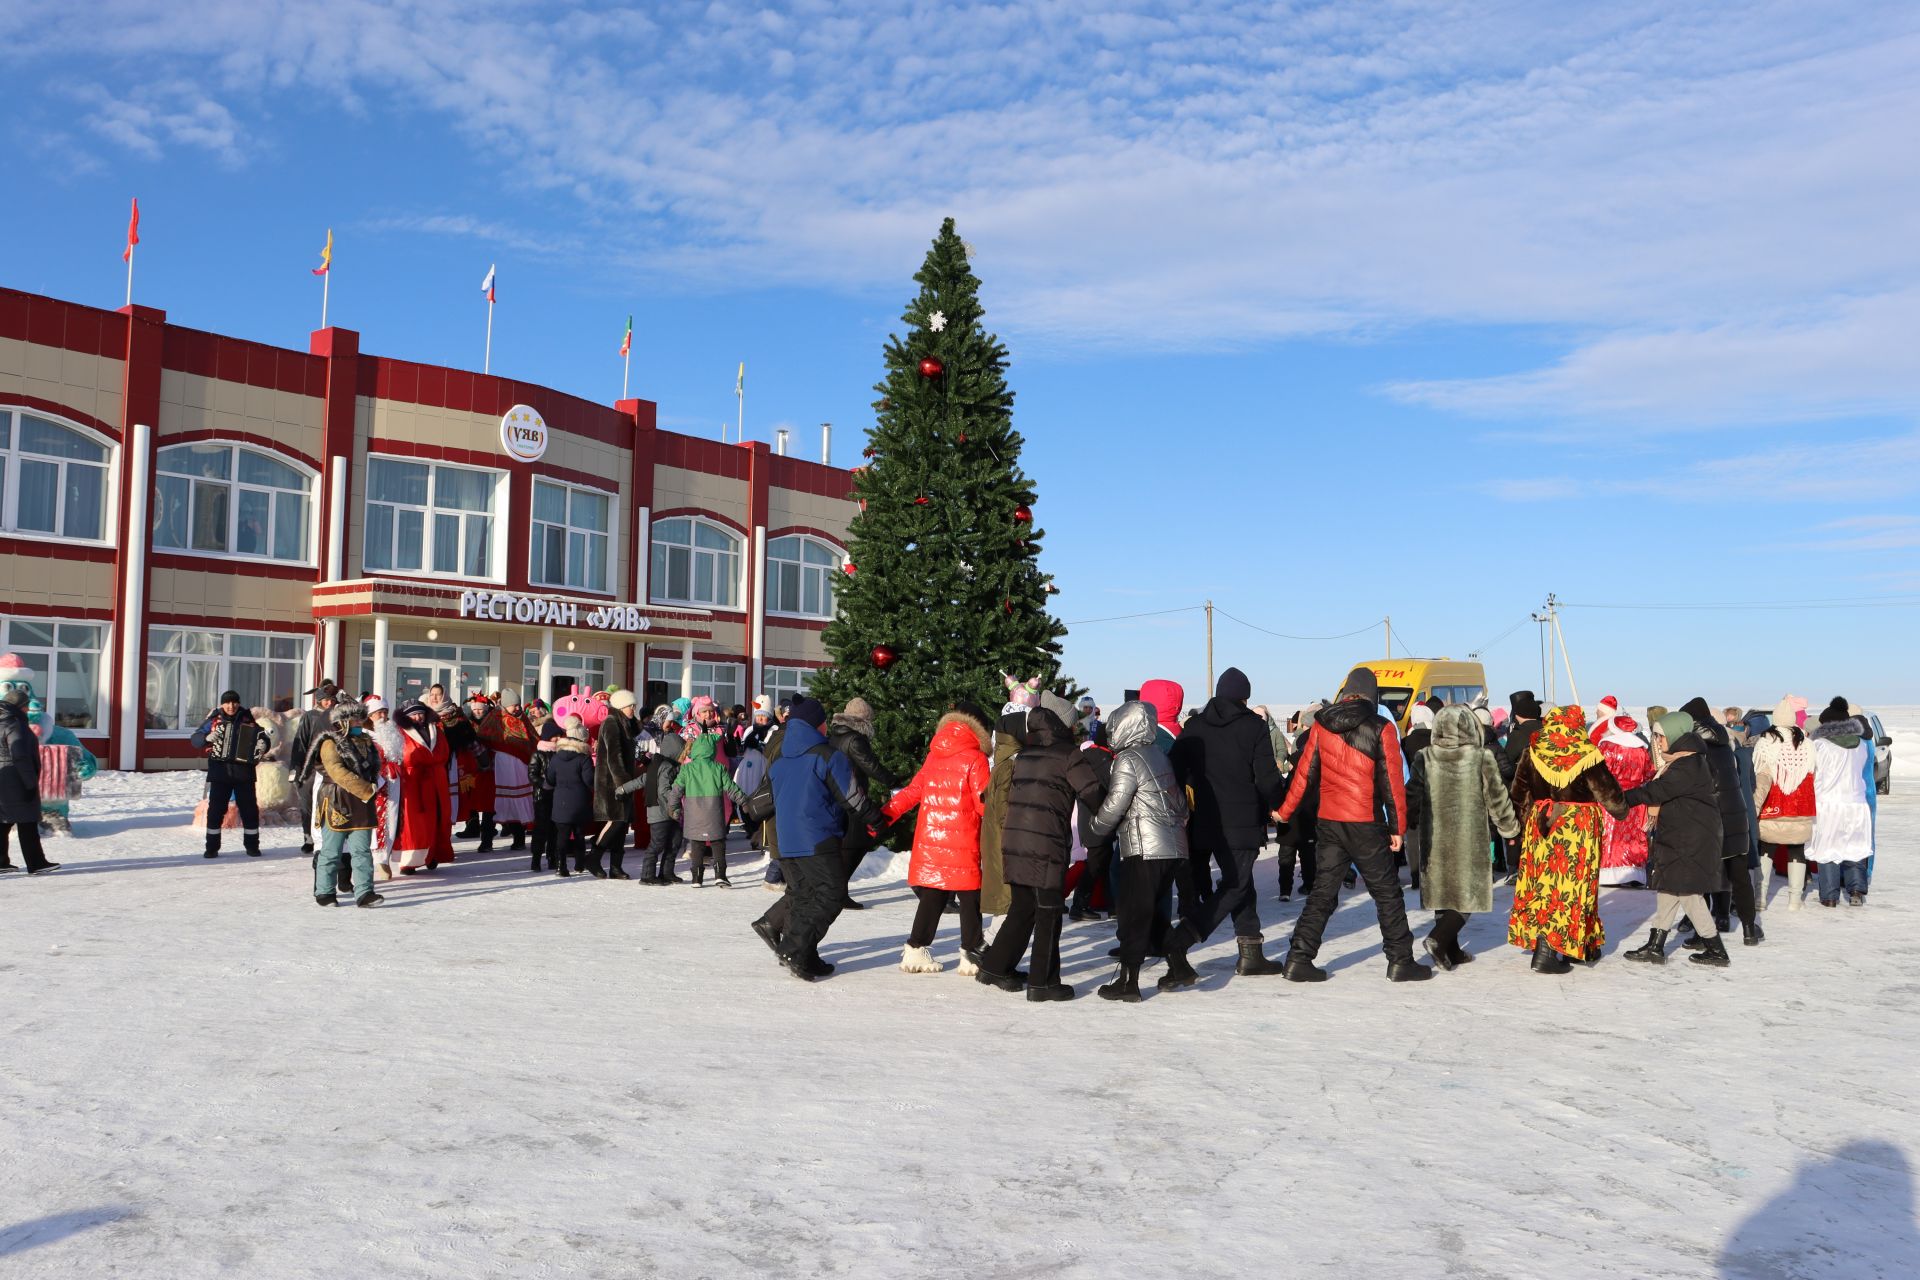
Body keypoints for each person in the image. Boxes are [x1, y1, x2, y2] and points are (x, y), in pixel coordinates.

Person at [1278, 668, 1427, 983]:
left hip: (1330, 822)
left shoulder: (1321, 725)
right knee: (1387, 893)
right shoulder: (1381, 727)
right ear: (1372, 695)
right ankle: (1401, 960)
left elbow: (1304, 774)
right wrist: (1397, 827)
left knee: (1322, 893)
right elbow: (1392, 782)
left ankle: (1298, 959)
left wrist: (1285, 810)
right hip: (1365, 822)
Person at [1162, 668, 1288, 985]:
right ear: (1245, 697)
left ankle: (1251, 953)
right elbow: (1267, 777)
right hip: (1242, 823)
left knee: (1241, 884)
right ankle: (1181, 940)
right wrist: (1281, 802)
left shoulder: (1194, 727)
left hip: (1205, 821)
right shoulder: (1254, 727)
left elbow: (1173, 771)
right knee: (1235, 885)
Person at [976, 705, 1104, 1001]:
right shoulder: (1069, 755)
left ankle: (995, 966)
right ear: (1062, 725)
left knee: (1023, 907)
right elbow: (1092, 793)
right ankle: (1043, 983)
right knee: (1048, 912)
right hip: (1044, 844)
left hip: (1016, 841)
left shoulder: (1026, 755)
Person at [760, 697, 878, 981]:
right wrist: (876, 818)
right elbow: (851, 796)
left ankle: (806, 955)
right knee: (831, 894)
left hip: (787, 840)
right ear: (817, 724)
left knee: (804, 896)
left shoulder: (781, 760)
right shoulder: (827, 756)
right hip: (816, 837)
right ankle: (793, 947)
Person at [1506, 705, 1627, 973]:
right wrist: (1622, 811)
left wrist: (1518, 827)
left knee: (1543, 887)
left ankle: (1576, 945)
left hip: (1542, 828)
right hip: (1578, 830)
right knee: (1572, 888)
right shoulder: (1586, 753)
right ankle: (1549, 951)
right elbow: (1611, 796)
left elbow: (1518, 794)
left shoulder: (1533, 751)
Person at [1083, 701, 1191, 1002]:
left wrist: (1094, 829)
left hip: (1144, 848)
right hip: (1172, 848)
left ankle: (1128, 982)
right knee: (1154, 914)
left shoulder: (1129, 759)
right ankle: (1179, 966)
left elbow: (1116, 803)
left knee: (1134, 913)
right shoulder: (1158, 755)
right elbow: (1181, 806)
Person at [1407, 705, 1521, 971]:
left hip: (1434, 835)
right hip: (1468, 837)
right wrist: (1510, 830)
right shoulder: (1480, 757)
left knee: (1443, 891)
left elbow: (1411, 794)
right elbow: (1497, 798)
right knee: (1468, 894)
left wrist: (1402, 821)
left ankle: (1452, 949)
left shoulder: (1426, 756)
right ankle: (1438, 939)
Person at [882, 707, 994, 974]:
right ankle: (970, 954)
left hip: (931, 842)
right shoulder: (975, 758)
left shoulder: (935, 756)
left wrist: (883, 816)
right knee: (970, 898)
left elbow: (912, 792)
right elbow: (983, 805)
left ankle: (915, 949)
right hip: (963, 841)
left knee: (933, 894)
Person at [1616, 712, 1731, 967]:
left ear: (1676, 736)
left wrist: (1621, 799)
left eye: (1661, 736)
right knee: (1668, 890)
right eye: (1655, 736)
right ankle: (1655, 946)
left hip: (1690, 838)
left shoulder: (1687, 765)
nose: (1657, 741)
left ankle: (1716, 949)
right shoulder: (1683, 760)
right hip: (1682, 835)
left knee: (1689, 894)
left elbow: (1657, 790)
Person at [1678, 696, 1760, 945]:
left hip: (1708, 818)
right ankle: (1749, 929)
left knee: (1701, 876)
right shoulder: (1726, 743)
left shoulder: (1693, 746)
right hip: (1735, 817)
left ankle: (1700, 933)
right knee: (1739, 876)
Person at [977, 673, 1044, 920]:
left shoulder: (1003, 761)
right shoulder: (1011, 765)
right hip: (1010, 849)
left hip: (1006, 848)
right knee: (1008, 910)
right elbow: (1006, 816)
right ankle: (990, 950)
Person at [827, 697, 900, 909]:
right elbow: (871, 766)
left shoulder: (836, 735)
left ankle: (838, 891)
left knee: (849, 844)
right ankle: (837, 893)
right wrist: (894, 781)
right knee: (856, 844)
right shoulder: (855, 739)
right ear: (864, 719)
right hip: (854, 796)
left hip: (837, 795)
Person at [310, 699, 384, 908]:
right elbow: (337, 771)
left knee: (361, 851)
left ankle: (365, 892)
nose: (359, 723)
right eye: (354, 719)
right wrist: (366, 789)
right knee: (332, 850)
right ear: (342, 721)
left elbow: (374, 768)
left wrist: (376, 783)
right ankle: (324, 891)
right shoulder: (329, 742)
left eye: (361, 718)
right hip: (337, 799)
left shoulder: (367, 741)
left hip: (362, 802)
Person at [660, 732, 751, 887]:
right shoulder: (719, 768)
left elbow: (675, 791)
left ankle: (697, 877)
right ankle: (720, 875)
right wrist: (744, 802)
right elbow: (731, 788)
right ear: (711, 750)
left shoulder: (687, 769)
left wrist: (673, 808)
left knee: (696, 845)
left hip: (694, 815)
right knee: (718, 844)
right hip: (714, 813)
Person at [1808, 698, 1875, 907]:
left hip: (1828, 804)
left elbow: (1812, 772)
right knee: (1854, 847)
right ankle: (1856, 889)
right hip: (1856, 803)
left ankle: (1829, 896)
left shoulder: (1819, 745)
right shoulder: (1860, 745)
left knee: (1828, 849)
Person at [192, 690, 270, 858]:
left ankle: (252, 846)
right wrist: (207, 737)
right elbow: (195, 739)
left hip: (244, 774)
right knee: (215, 812)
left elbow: (263, 737)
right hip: (220, 773)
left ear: (238, 703)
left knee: (249, 811)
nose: (231, 706)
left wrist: (264, 745)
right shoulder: (214, 719)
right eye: (227, 703)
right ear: (222, 704)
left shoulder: (247, 718)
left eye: (234, 702)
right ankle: (211, 848)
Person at [1591, 705, 1653, 887]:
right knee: (1633, 836)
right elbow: (1649, 774)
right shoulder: (1641, 749)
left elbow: (1598, 773)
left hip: (1611, 798)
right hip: (1636, 799)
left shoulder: (1607, 747)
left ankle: (1609, 872)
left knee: (1610, 836)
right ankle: (1634, 872)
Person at [389, 700, 454, 874]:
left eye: (421, 714)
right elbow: (399, 756)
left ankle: (433, 854)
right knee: (414, 820)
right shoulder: (399, 733)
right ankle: (409, 861)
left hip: (436, 779)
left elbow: (445, 751)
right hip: (413, 781)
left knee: (438, 817)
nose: (418, 717)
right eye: (414, 714)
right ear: (406, 716)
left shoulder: (436, 730)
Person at [584, 689, 641, 879]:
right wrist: (623, 784)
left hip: (622, 782)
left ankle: (616, 866)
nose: (634, 709)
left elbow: (635, 733)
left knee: (622, 824)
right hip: (612, 783)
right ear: (622, 707)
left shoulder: (623, 722)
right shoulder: (611, 723)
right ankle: (594, 857)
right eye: (631, 706)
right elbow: (613, 757)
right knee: (616, 821)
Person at [0, 686, 57, 874]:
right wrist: (30, 783)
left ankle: (1, 862)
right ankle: (36, 864)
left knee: (4, 820)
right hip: (15, 779)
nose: (27, 710)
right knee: (27, 821)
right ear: (20, 706)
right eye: (25, 706)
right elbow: (20, 756)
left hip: (3, 779)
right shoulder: (14, 723)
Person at [1276, 702, 1326, 901]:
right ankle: (1308, 885)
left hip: (1291, 815)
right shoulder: (1321, 765)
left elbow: (1287, 788)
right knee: (1308, 853)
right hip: (1309, 815)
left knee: (1287, 854)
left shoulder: (1295, 762)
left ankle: (1285, 890)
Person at [27, 694, 97, 836]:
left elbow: (87, 759)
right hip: (14, 804)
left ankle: (53, 814)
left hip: (54, 803)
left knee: (58, 829)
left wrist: (86, 768)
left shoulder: (62, 736)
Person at [287, 681, 339, 856]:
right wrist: (296, 769)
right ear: (319, 700)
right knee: (307, 803)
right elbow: (300, 742)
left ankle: (329, 837)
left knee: (329, 803)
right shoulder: (310, 716)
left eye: (332, 699)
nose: (329, 703)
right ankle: (308, 837)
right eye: (326, 700)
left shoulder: (339, 716)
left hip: (332, 768)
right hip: (310, 768)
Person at [481, 691, 537, 851]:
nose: (518, 708)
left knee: (517, 803)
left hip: (520, 768)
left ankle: (519, 839)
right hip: (497, 769)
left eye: (519, 704)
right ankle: (486, 842)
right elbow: (483, 736)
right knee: (492, 805)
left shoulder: (524, 719)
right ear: (506, 705)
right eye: (515, 705)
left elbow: (533, 739)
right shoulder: (495, 717)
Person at [543, 717, 595, 876]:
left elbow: (550, 780)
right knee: (579, 834)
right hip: (579, 802)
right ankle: (579, 864)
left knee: (562, 835)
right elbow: (589, 781)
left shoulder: (556, 757)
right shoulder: (584, 758)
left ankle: (561, 866)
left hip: (560, 802)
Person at [636, 731, 685, 884]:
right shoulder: (666, 767)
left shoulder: (664, 765)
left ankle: (666, 872)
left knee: (675, 841)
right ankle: (647, 875)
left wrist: (623, 789)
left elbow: (641, 780)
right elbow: (664, 790)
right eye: (681, 751)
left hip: (667, 812)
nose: (683, 755)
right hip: (660, 812)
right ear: (673, 751)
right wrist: (674, 807)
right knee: (657, 844)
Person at [365, 697, 406, 878]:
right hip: (377, 784)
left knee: (393, 820)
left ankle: (386, 857)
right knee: (378, 823)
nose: (383, 716)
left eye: (385, 712)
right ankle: (378, 860)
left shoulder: (392, 732)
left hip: (394, 782)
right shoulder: (365, 736)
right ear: (370, 715)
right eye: (379, 713)